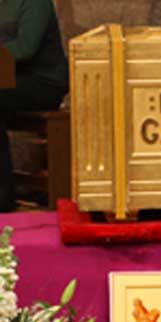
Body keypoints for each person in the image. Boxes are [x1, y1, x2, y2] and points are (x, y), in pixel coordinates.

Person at [0, 0, 69, 211]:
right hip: (10, 78)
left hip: (43, 82)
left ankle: (3, 195)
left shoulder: (36, 3)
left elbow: (25, 48)